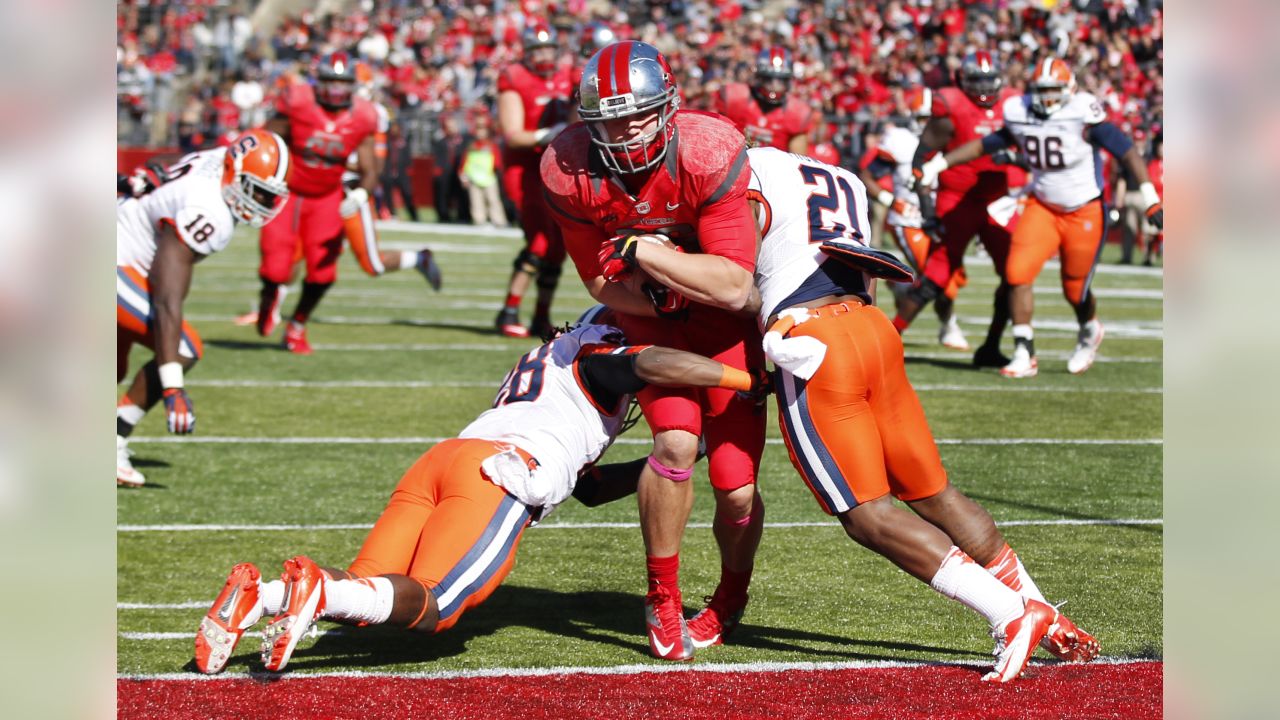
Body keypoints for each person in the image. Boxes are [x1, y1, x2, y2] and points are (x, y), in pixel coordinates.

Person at [192, 311, 769, 674]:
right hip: (500, 474)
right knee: (437, 606)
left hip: (444, 461)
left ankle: (262, 597)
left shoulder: (551, 357)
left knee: (366, 600)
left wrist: (673, 458)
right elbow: (651, 360)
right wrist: (746, 380)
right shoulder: (605, 350)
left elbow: (589, 490)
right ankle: (313, 590)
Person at [745, 145, 1099, 682]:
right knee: (936, 493)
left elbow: (733, 279)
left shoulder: (748, 173)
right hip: (873, 331)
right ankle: (1044, 614)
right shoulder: (844, 179)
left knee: (866, 513)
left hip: (815, 341)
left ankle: (1010, 614)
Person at [541, 40, 766, 661]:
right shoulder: (570, 169)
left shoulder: (707, 151)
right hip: (655, 321)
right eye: (609, 115)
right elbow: (597, 283)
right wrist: (664, 299)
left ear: (667, 105)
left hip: (728, 324)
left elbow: (734, 285)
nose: (625, 126)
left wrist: (646, 252)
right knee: (673, 442)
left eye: (637, 111)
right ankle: (662, 595)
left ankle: (728, 597)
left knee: (735, 486)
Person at [918, 58, 1164, 377]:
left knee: (1075, 290)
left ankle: (1089, 328)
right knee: (1017, 273)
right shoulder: (1020, 111)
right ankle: (1024, 351)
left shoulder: (1082, 112)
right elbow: (986, 144)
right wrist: (939, 164)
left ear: (1069, 89)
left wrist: (1151, 199)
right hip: (1043, 205)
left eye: (1053, 90)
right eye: (1042, 90)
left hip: (1084, 208)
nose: (1046, 97)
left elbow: (1127, 151)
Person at [117, 129, 291, 487]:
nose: (259, 201)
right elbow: (166, 299)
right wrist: (172, 388)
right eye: (255, 190)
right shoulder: (209, 212)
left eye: (267, 194)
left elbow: (161, 163)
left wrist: (150, 174)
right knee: (183, 348)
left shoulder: (218, 158)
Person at [248, 53, 442, 355]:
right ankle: (269, 297)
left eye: (342, 84)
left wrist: (362, 194)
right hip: (290, 192)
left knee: (324, 273)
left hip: (329, 196)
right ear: (318, 83)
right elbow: (266, 140)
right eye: (330, 83)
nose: (337, 91)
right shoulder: (299, 102)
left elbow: (371, 168)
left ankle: (297, 324)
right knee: (275, 268)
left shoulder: (364, 115)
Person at [896, 51, 1026, 368]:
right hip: (957, 199)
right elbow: (921, 159)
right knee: (936, 276)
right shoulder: (951, 104)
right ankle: (889, 335)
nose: (982, 87)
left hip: (999, 200)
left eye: (987, 79)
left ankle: (992, 345)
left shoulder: (1013, 104)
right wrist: (928, 210)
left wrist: (1014, 163)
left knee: (1015, 273)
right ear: (963, 81)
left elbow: (1032, 153)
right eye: (976, 80)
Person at [859, 86, 969, 351]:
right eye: (923, 119)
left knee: (951, 277)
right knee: (938, 277)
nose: (928, 125)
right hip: (908, 219)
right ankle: (948, 325)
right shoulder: (900, 140)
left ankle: (908, 295)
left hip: (939, 218)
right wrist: (889, 200)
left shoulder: (952, 138)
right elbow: (868, 175)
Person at [494, 24, 574, 338]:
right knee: (539, 242)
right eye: (537, 50)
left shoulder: (568, 75)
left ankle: (541, 315)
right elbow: (514, 136)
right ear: (527, 53)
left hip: (557, 168)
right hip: (526, 170)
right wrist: (549, 134)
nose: (543, 56)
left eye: (548, 49)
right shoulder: (515, 77)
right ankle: (509, 310)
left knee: (558, 249)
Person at [713, 46, 815, 154]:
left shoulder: (797, 112)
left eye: (780, 81)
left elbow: (796, 160)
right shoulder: (735, 97)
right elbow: (715, 138)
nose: (774, 86)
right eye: (768, 80)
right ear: (759, 77)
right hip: (731, 161)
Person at [459, 118, 507, 228]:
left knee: (493, 200)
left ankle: (499, 221)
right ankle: (479, 220)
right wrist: (463, 175)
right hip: (474, 178)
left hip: (489, 178)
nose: (480, 132)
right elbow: (465, 162)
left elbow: (497, 161)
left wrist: (498, 171)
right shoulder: (471, 146)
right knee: (476, 201)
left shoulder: (492, 146)